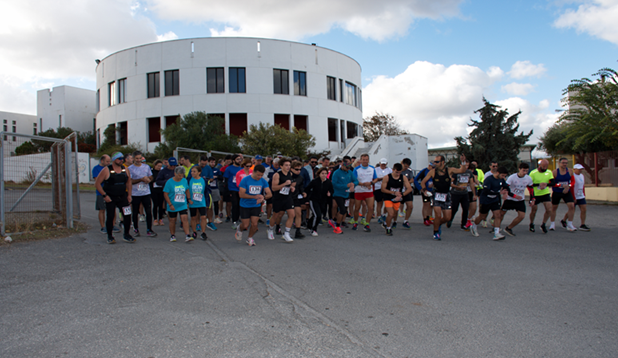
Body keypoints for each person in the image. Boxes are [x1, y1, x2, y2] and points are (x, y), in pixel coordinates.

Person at [420, 155, 469, 240]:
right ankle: (435, 232)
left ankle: (438, 224)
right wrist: (424, 190)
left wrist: (463, 162)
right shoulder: (432, 172)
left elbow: (462, 170)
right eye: (434, 162)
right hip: (436, 195)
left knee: (447, 218)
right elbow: (423, 182)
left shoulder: (449, 170)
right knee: (438, 215)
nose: (435, 163)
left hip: (446, 195)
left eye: (437, 162)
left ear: (443, 162)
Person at [94, 152, 135, 244]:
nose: (121, 161)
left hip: (123, 196)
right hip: (111, 197)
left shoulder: (125, 169)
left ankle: (127, 234)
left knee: (127, 215)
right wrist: (104, 195)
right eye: (119, 159)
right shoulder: (106, 170)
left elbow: (128, 182)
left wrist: (129, 195)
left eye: (122, 159)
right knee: (111, 216)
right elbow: (97, 184)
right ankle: (110, 236)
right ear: (114, 160)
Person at [469, 166, 520, 240]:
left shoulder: (501, 180)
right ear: (498, 173)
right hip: (486, 200)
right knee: (482, 216)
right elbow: (486, 191)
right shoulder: (489, 179)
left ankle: (496, 233)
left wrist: (513, 195)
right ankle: (474, 226)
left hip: (495, 200)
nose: (503, 177)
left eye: (505, 176)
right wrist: (499, 193)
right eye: (502, 175)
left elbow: (506, 187)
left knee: (498, 215)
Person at [236, 165, 272, 246]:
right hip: (245, 205)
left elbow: (269, 194)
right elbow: (241, 194)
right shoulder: (245, 180)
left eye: (261, 175)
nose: (259, 177)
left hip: (256, 205)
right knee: (245, 225)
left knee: (255, 224)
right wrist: (254, 197)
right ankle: (239, 229)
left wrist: (263, 197)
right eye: (258, 175)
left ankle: (250, 238)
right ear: (254, 172)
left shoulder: (263, 181)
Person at [128, 151, 156, 237]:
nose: (139, 160)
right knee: (135, 212)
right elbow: (130, 181)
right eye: (137, 158)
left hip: (146, 192)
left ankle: (149, 229)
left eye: (140, 158)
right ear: (133, 159)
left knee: (148, 211)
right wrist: (141, 179)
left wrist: (149, 179)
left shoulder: (146, 167)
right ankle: (136, 229)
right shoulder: (130, 168)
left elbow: (151, 176)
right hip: (135, 193)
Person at [501, 162, 534, 236]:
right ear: (519, 169)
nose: (525, 172)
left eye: (526, 171)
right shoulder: (512, 177)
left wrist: (532, 199)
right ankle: (496, 228)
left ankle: (509, 228)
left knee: (522, 216)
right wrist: (513, 195)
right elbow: (506, 187)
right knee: (501, 213)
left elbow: (531, 189)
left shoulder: (528, 178)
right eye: (523, 170)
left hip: (520, 200)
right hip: (510, 199)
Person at [381, 163, 413, 236]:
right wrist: (394, 192)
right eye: (396, 172)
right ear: (393, 170)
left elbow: (409, 189)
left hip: (397, 198)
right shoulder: (387, 177)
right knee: (391, 213)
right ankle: (388, 228)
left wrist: (401, 195)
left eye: (400, 172)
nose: (398, 174)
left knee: (395, 213)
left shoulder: (403, 177)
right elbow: (383, 189)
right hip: (388, 197)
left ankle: (386, 223)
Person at [163, 166, 193, 242]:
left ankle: (187, 235)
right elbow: (165, 194)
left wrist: (189, 199)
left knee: (185, 219)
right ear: (175, 173)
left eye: (182, 175)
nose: (180, 177)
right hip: (173, 204)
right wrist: (170, 204)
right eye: (179, 175)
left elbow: (187, 190)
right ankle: (172, 235)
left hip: (182, 204)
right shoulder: (169, 182)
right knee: (172, 220)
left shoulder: (184, 180)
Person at [269, 158, 296, 242]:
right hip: (278, 198)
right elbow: (273, 188)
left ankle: (286, 233)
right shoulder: (277, 175)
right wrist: (284, 184)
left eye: (289, 165)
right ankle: (270, 230)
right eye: (286, 165)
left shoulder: (290, 173)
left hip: (287, 197)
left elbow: (289, 185)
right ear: (281, 166)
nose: (288, 167)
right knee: (276, 215)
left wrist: (291, 187)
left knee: (292, 214)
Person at [93, 155, 119, 234]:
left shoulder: (110, 168)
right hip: (101, 192)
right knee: (102, 209)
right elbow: (97, 179)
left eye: (109, 161)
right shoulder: (96, 169)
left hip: (111, 191)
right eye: (107, 161)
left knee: (113, 208)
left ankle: (113, 224)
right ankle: (103, 226)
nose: (108, 163)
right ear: (102, 161)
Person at [329, 160, 357, 234]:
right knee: (342, 209)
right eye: (347, 167)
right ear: (342, 165)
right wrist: (346, 186)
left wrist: (352, 184)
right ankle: (337, 226)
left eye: (349, 167)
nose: (348, 169)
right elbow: (334, 184)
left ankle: (336, 221)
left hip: (346, 194)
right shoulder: (336, 173)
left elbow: (356, 181)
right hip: (338, 194)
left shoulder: (350, 172)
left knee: (344, 210)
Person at [549, 157, 577, 232]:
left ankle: (570, 224)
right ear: (559, 163)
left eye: (566, 163)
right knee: (554, 208)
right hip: (557, 192)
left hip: (566, 191)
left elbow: (573, 182)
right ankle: (552, 224)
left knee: (571, 206)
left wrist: (569, 186)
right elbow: (552, 183)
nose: (565, 164)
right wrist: (561, 185)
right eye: (563, 163)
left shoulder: (570, 171)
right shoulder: (554, 172)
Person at [351, 154, 378, 232]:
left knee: (370, 208)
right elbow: (354, 180)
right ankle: (356, 222)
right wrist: (363, 184)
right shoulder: (356, 169)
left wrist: (371, 183)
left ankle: (367, 224)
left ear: (368, 160)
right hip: (359, 191)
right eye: (363, 159)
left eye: (366, 159)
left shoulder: (372, 168)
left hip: (369, 191)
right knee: (356, 208)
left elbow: (376, 179)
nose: (365, 161)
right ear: (361, 160)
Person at [305, 167, 334, 236]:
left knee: (317, 214)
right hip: (314, 200)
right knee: (317, 215)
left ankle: (309, 224)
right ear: (319, 174)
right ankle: (313, 229)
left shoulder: (328, 182)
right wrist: (306, 199)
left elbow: (331, 190)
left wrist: (329, 192)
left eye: (325, 173)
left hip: (323, 201)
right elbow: (307, 189)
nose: (324, 175)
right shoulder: (315, 181)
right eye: (322, 173)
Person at [448, 163, 476, 231]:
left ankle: (463, 224)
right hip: (455, 193)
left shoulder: (469, 173)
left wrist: (474, 194)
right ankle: (449, 220)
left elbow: (471, 183)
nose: (466, 167)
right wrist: (457, 186)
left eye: (467, 165)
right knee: (454, 208)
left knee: (465, 209)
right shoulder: (456, 172)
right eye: (464, 165)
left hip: (465, 193)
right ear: (460, 165)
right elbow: (449, 182)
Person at [529, 159, 554, 234]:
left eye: (546, 166)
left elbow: (553, 182)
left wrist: (546, 184)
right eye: (543, 166)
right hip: (535, 194)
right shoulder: (533, 173)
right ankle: (531, 223)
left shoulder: (549, 172)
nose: (545, 168)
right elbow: (529, 184)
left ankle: (543, 224)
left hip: (545, 193)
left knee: (549, 209)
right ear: (539, 165)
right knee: (534, 210)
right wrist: (539, 185)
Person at [563, 163, 590, 231]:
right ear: (574, 169)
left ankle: (582, 224)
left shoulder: (582, 176)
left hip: (581, 195)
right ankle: (564, 220)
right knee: (572, 210)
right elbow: (571, 187)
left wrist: (584, 194)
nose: (580, 170)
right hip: (574, 196)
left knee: (584, 209)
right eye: (579, 169)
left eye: (581, 169)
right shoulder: (572, 176)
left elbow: (582, 186)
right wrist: (573, 197)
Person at [188, 166, 208, 241]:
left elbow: (206, 191)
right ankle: (194, 231)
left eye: (194, 171)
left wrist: (207, 201)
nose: (192, 173)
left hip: (201, 201)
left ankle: (203, 232)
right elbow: (187, 190)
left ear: (199, 172)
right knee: (193, 217)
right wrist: (189, 199)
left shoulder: (203, 180)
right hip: (192, 201)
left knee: (203, 217)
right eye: (191, 171)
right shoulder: (189, 180)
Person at [223, 154, 243, 228]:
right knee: (235, 205)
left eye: (240, 159)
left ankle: (239, 219)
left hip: (240, 189)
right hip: (232, 189)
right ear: (234, 160)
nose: (239, 161)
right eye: (238, 159)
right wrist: (227, 191)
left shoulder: (241, 169)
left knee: (240, 205)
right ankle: (234, 221)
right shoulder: (229, 168)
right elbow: (226, 180)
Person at [415, 162, 436, 226]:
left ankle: (430, 217)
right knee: (426, 204)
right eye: (432, 167)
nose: (433, 169)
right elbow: (415, 179)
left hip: (433, 190)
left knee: (431, 204)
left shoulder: (435, 172)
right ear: (429, 166)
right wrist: (420, 188)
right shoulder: (424, 171)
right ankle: (425, 218)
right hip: (425, 190)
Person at [291, 160, 308, 238]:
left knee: (298, 213)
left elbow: (301, 186)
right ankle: (276, 227)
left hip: (296, 197)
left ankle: (298, 231)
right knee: (280, 214)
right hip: (286, 198)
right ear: (291, 168)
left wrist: (303, 192)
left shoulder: (300, 177)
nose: (298, 171)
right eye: (296, 169)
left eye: (300, 169)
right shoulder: (287, 176)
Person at [374, 158, 392, 227]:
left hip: (386, 188)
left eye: (384, 164)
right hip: (378, 187)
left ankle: (384, 214)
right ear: (380, 163)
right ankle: (379, 216)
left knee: (387, 202)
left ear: (386, 164)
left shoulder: (389, 170)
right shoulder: (376, 169)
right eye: (382, 164)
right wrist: (383, 178)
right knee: (379, 202)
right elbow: (376, 178)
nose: (383, 165)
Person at [399, 158, 415, 229]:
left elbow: (412, 179)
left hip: (407, 190)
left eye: (407, 166)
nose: (406, 168)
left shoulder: (409, 171)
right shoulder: (397, 170)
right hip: (399, 190)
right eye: (405, 166)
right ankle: (394, 221)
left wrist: (407, 183)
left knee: (410, 206)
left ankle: (406, 221)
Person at [207, 157, 222, 226]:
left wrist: (216, 177)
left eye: (214, 162)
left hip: (215, 188)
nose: (213, 164)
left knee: (216, 203)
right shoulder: (206, 169)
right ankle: (207, 217)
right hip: (208, 188)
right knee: (208, 204)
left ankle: (216, 217)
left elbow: (221, 177)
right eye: (211, 162)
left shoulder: (216, 169)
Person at [150, 160, 166, 226]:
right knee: (155, 204)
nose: (159, 167)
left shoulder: (162, 172)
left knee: (160, 205)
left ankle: (160, 219)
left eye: (160, 166)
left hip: (161, 189)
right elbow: (151, 180)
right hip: (154, 190)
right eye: (158, 166)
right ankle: (155, 219)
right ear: (155, 165)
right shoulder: (151, 172)